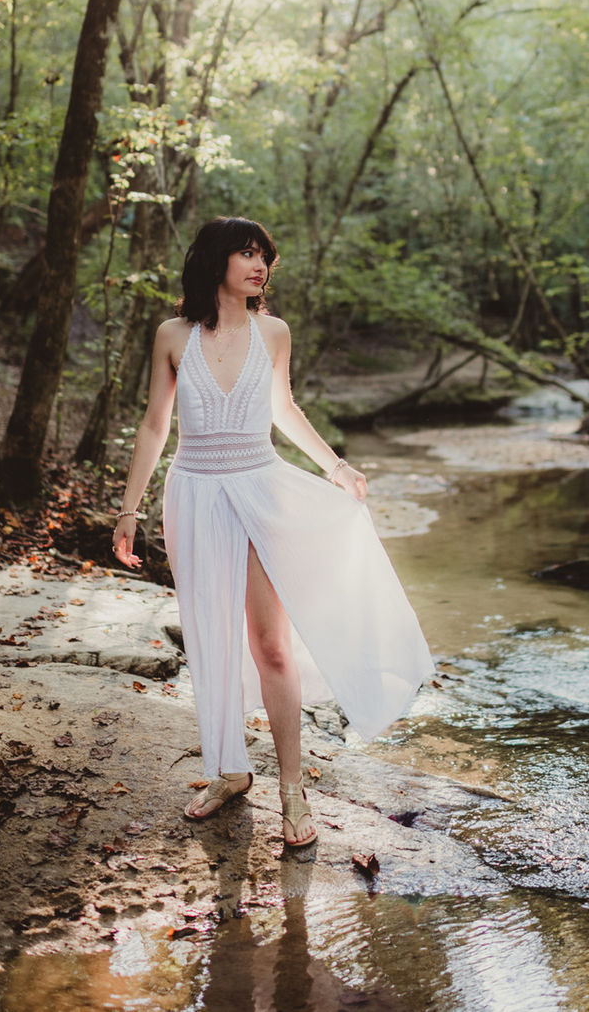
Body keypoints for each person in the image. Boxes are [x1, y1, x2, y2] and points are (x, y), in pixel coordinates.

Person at [112, 216, 432, 848]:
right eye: (246, 253)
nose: (259, 266)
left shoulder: (274, 333)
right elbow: (155, 425)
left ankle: (292, 788)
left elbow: (284, 410)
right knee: (209, 637)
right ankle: (230, 771)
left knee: (271, 644)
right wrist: (129, 510)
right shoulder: (173, 335)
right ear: (215, 262)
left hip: (261, 489)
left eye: (264, 256)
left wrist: (335, 466)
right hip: (195, 494)